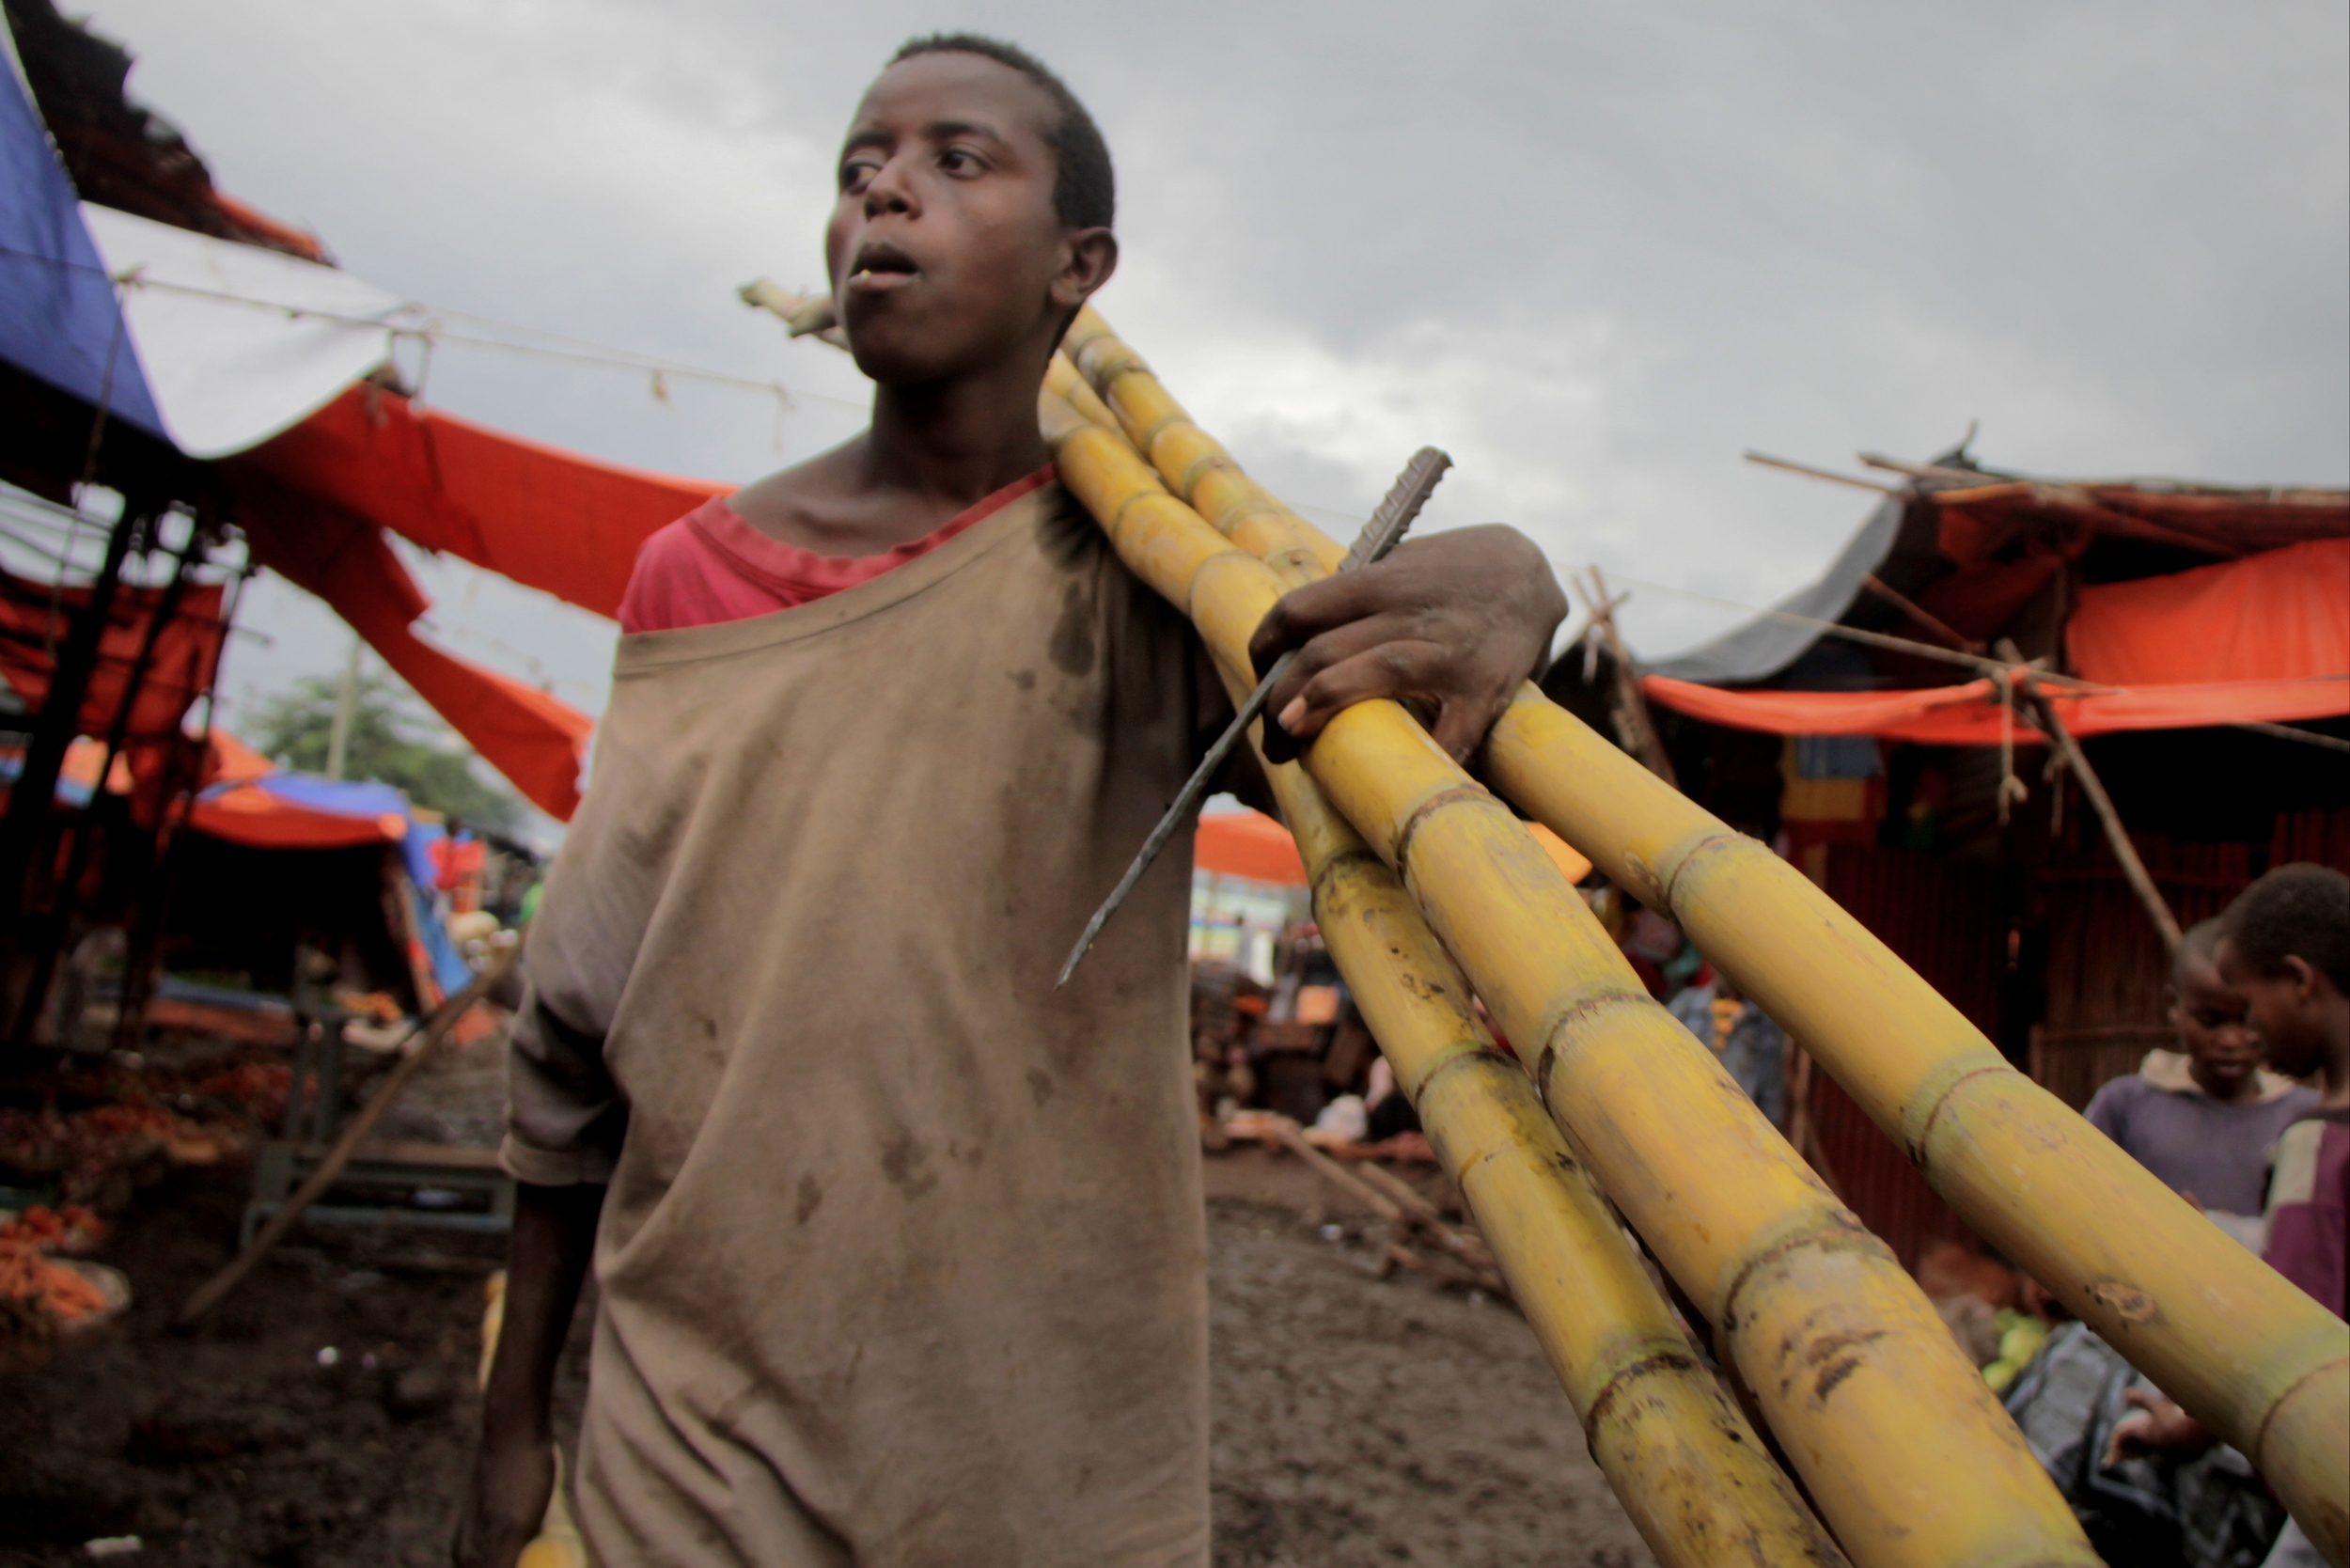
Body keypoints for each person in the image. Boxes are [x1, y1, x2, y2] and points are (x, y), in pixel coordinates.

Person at [453, 35, 1566, 1568]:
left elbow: (1389, 752)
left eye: (954, 161)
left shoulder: (1162, 578)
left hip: (1041, 1462)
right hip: (687, 1447)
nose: (884, 191)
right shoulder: (691, 577)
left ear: (1077, 263)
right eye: (858, 167)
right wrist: (515, 1425)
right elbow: (572, 1029)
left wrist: (1511, 584)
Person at [2105, 864, 2349, 1568]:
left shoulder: (2316, 1151)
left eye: (2249, 1004)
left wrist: (2190, 1428)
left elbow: (2287, 1342)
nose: (2249, 1033)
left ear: (2301, 982)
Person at [2084, 919, 2318, 1247]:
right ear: (2174, 1006)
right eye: (2210, 1021)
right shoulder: (2126, 1105)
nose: (2231, 1040)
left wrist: (2217, 1229)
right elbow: (2081, 1202)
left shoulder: (2305, 1117)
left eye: (2247, 1020)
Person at [1668, 967, 1787, 1126]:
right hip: (1685, 1108)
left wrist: (1771, 1124)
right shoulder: (1688, 1003)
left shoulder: (1760, 1019)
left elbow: (1770, 1078)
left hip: (1735, 1119)